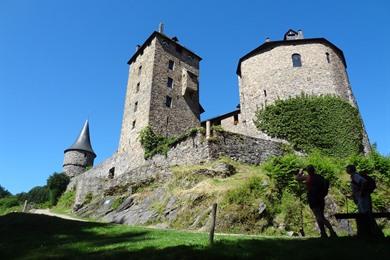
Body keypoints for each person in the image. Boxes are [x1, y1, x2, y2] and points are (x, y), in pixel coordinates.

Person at [296, 165, 337, 238]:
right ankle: (324, 233)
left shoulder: (308, 177)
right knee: (320, 216)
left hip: (313, 198)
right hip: (321, 198)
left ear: (308, 171)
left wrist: (300, 171)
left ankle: (331, 232)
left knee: (319, 216)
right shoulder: (320, 177)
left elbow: (297, 178)